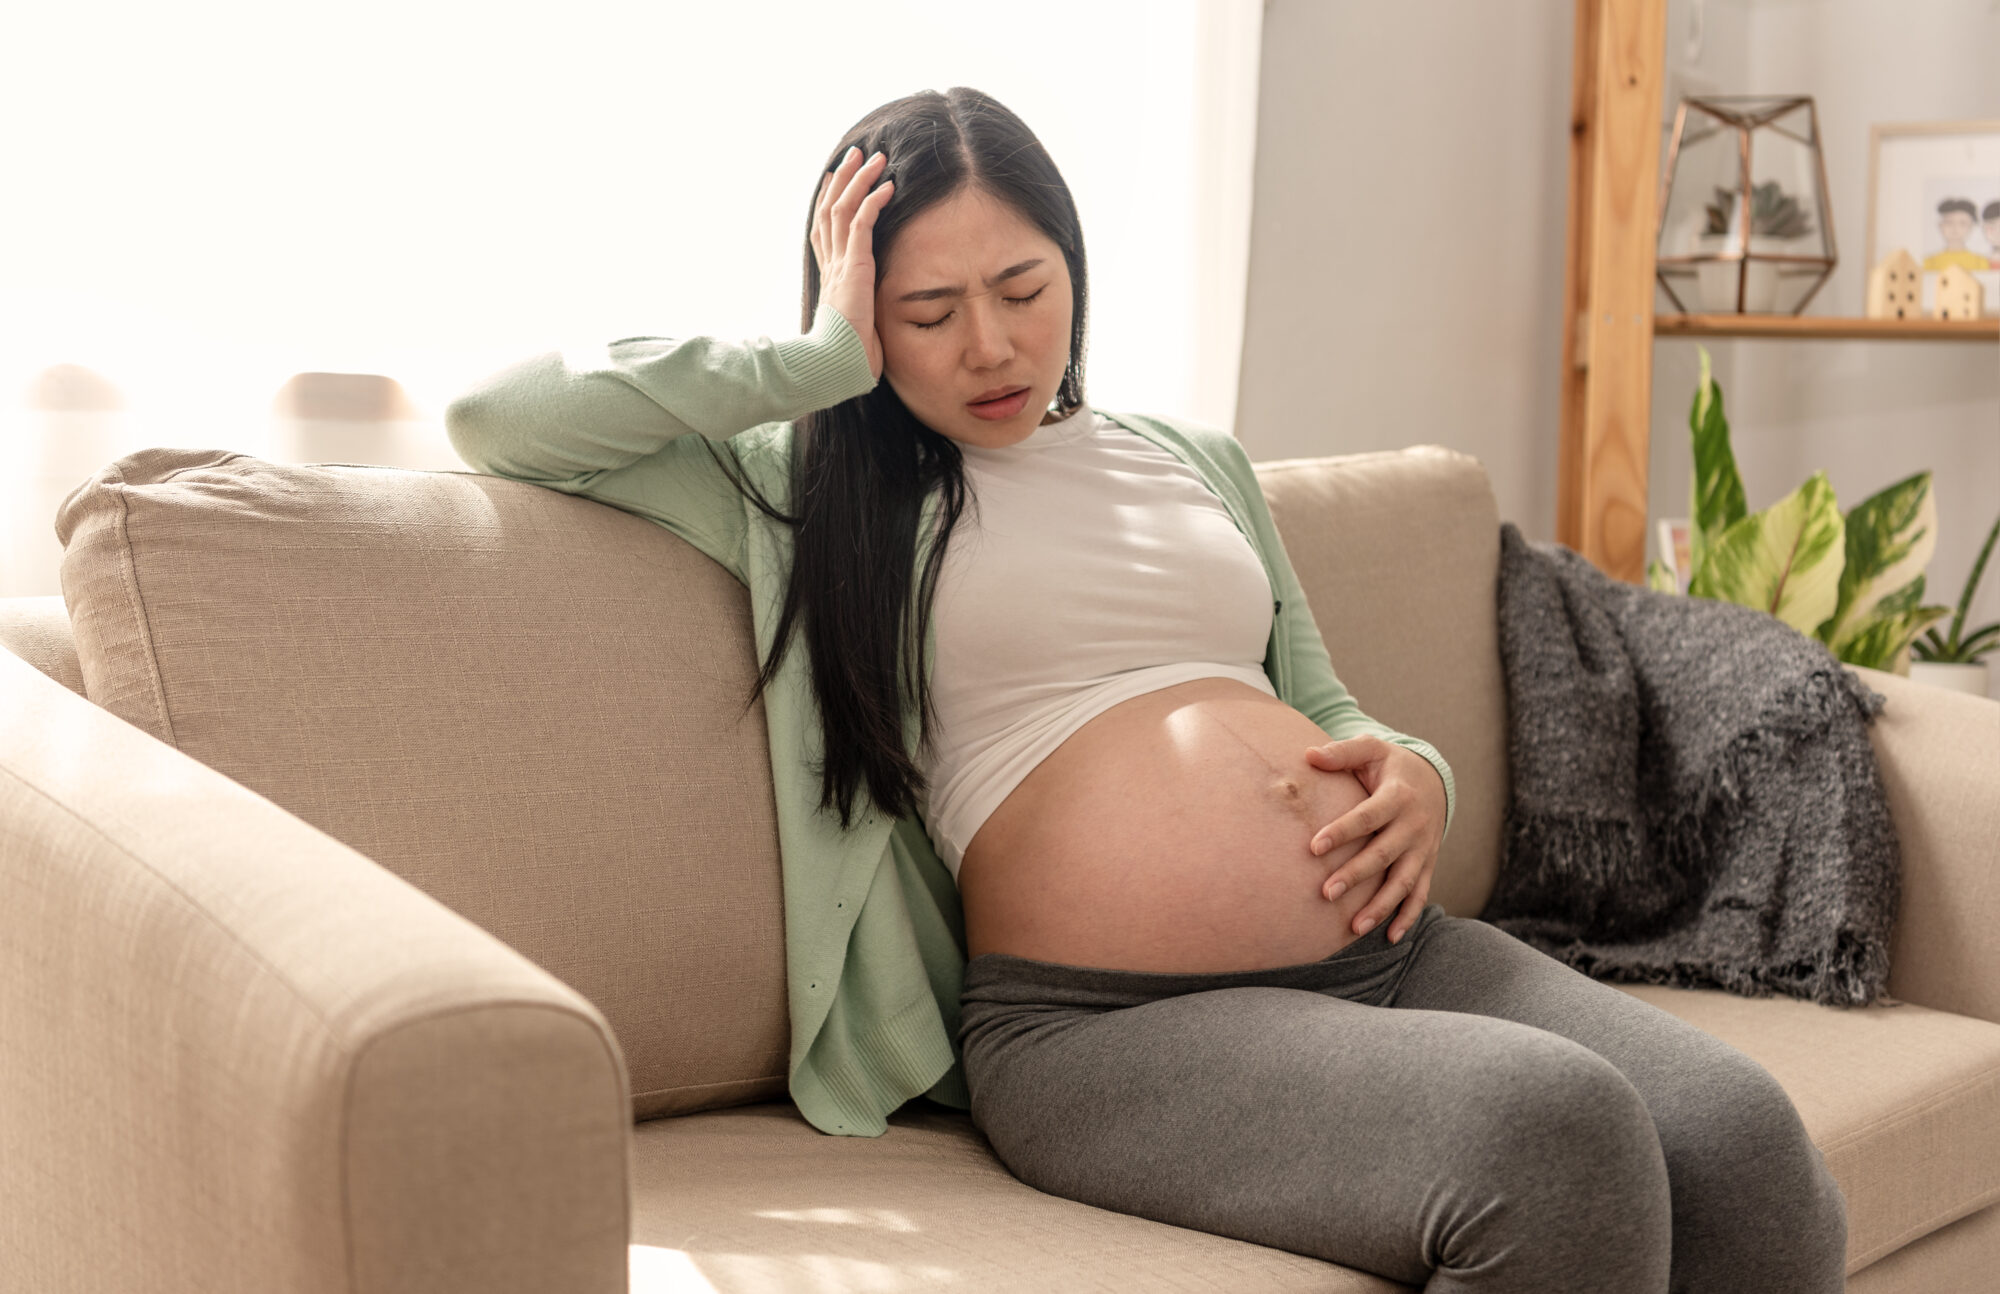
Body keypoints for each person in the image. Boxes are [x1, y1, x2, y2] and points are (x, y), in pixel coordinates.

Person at [446, 86, 1847, 1294]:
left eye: (1023, 288)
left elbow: (1332, 704)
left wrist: (1417, 772)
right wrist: (809, 365)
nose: (989, 346)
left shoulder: (1189, 459)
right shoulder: (810, 489)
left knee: (1743, 1142)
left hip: (1392, 949)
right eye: (928, 311)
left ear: (1075, 267)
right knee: (1550, 1137)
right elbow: (501, 420)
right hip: (1101, 1024)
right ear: (865, 309)